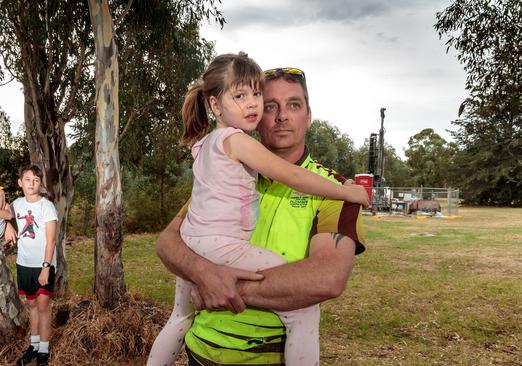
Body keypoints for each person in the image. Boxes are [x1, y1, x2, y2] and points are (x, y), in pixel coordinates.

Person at [147, 53, 368, 366]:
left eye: (294, 105)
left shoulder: (331, 189)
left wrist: (212, 282)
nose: (281, 116)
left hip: (265, 358)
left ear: (309, 115)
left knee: (178, 316)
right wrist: (203, 272)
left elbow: (327, 279)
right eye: (270, 105)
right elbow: (166, 242)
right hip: (202, 355)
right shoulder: (235, 160)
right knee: (302, 314)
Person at [10, 165, 58, 366]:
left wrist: (46, 267)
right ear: (20, 182)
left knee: (43, 306)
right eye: (27, 179)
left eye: (36, 180)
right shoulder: (16, 204)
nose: (31, 183)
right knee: (31, 305)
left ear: (41, 183)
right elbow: (6, 216)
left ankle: (44, 352)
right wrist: (6, 226)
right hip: (24, 263)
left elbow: (51, 240)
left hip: (43, 264)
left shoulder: (46, 206)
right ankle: (34, 345)